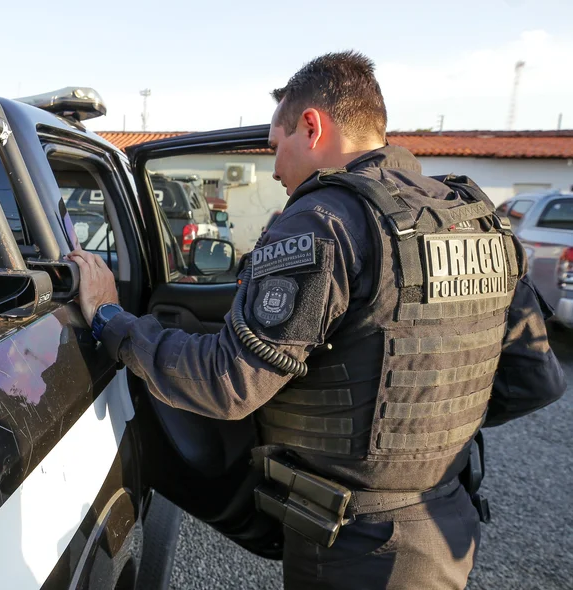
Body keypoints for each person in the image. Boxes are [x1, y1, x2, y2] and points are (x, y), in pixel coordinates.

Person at [70, 51, 566, 589]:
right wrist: (424, 435)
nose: (276, 168)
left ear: (311, 126)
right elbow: (534, 380)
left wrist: (108, 317)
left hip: (356, 542)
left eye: (275, 146)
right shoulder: (472, 213)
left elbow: (228, 381)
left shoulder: (324, 219)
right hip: (447, 521)